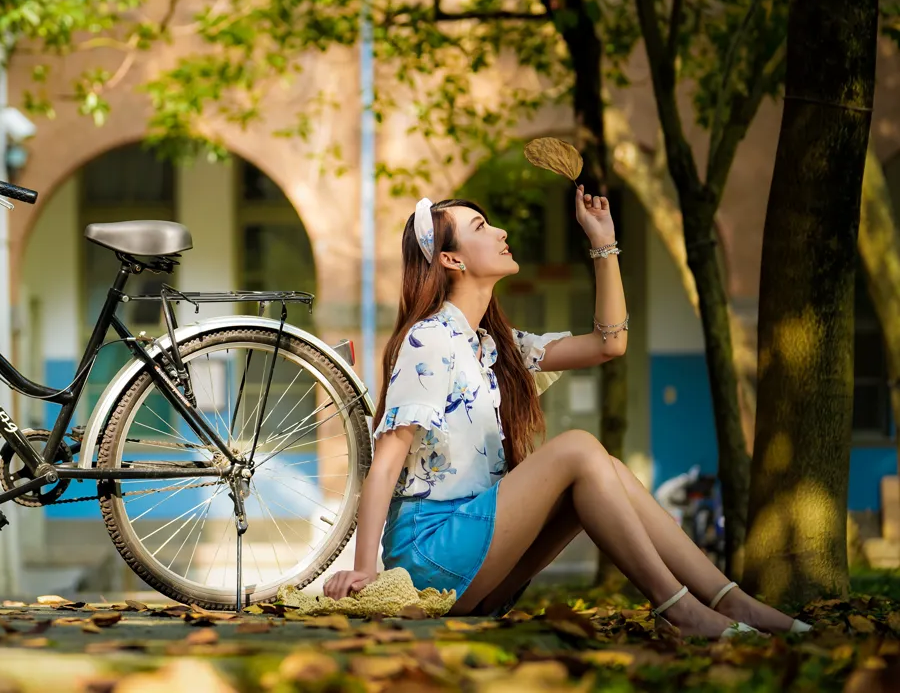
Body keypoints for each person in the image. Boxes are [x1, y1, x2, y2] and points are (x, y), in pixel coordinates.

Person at [323, 187, 810, 638]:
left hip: (478, 560)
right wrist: (367, 571)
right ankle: (680, 610)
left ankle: (733, 602)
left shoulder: (496, 347)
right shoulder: (428, 339)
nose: (501, 232)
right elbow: (386, 460)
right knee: (577, 447)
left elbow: (608, 344)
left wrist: (605, 245)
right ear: (451, 260)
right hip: (429, 557)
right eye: (480, 228)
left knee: (609, 471)